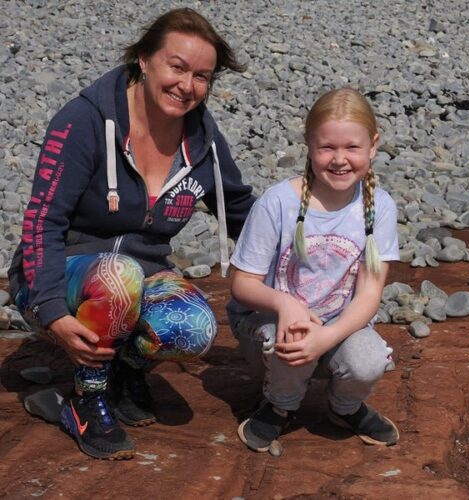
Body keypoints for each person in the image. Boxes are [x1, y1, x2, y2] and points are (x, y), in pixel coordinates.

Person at [8, 8, 255, 460]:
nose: (187, 85)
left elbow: (239, 209)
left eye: (202, 76)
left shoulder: (202, 140)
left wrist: (305, 250)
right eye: (177, 67)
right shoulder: (82, 121)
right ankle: (87, 399)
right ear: (144, 59)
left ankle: (126, 367)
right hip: (55, 279)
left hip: (137, 277)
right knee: (118, 276)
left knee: (193, 327)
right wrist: (49, 308)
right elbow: (44, 220)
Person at [227, 88, 400, 452]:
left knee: (371, 359)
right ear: (309, 144)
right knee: (289, 336)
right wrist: (285, 304)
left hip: (338, 322)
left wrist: (328, 336)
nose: (339, 160)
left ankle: (345, 406)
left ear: (373, 146)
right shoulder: (278, 202)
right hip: (270, 323)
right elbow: (241, 283)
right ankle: (280, 404)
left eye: (352, 148)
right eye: (327, 148)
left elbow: (369, 294)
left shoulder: (379, 208)